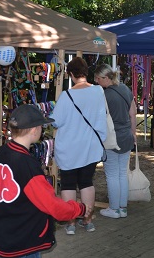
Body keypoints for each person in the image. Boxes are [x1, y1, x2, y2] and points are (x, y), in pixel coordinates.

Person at [0, 104, 89, 258]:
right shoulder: (28, 165)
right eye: (41, 126)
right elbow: (51, 205)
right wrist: (80, 209)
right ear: (34, 130)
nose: (42, 130)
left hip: (0, 236)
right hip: (23, 240)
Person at [51, 57, 107, 235]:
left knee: (68, 184)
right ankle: (88, 220)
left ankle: (71, 223)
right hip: (90, 147)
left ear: (70, 74)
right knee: (86, 182)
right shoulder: (99, 91)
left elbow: (56, 121)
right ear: (86, 72)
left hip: (69, 148)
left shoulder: (67, 96)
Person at [94, 63, 137, 219]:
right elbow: (133, 114)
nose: (97, 82)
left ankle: (114, 209)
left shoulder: (105, 96)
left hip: (112, 138)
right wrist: (134, 133)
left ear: (105, 78)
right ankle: (122, 208)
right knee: (122, 174)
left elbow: (99, 119)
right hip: (126, 136)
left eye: (98, 79)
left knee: (112, 175)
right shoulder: (125, 89)